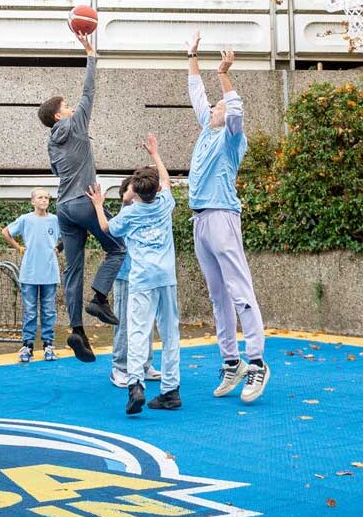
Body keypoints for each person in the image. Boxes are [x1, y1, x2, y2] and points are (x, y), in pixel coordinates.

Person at [186, 33, 269, 404]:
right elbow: (196, 94)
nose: (214, 108)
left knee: (238, 290)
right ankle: (231, 361)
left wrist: (224, 74)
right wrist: (191, 55)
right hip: (200, 220)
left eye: (218, 106)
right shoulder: (207, 129)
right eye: (215, 107)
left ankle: (257, 363)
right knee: (217, 295)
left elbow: (234, 110)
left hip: (222, 216)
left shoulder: (233, 138)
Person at [38, 28, 124, 362]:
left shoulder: (50, 142)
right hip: (86, 203)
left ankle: (77, 330)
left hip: (64, 208)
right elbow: (89, 92)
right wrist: (91, 55)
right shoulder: (75, 125)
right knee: (117, 250)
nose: (73, 107)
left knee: (72, 270)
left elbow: (59, 173)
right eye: (67, 106)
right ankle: (99, 298)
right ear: (59, 115)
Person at [89, 134, 181, 415]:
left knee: (139, 331)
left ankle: (135, 386)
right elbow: (165, 179)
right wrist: (155, 154)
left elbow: (106, 228)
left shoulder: (130, 214)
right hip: (167, 277)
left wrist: (97, 204)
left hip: (142, 279)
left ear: (136, 194)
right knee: (170, 332)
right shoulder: (165, 203)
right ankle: (171, 390)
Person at [109, 175, 162, 389]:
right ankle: (120, 368)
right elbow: (114, 226)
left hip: (145, 276)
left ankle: (144, 365)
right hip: (125, 276)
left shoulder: (146, 213)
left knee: (145, 322)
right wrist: (126, 197)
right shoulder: (126, 214)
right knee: (123, 323)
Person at [2, 187, 61, 362]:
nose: (44, 200)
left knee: (49, 310)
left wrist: (58, 248)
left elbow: (68, 234)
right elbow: (6, 232)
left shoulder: (55, 220)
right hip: (30, 272)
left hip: (49, 272)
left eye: (46, 197)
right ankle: (27, 345)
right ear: (33, 201)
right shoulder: (25, 219)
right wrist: (19, 247)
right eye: (40, 197)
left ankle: (48, 344)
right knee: (30, 311)